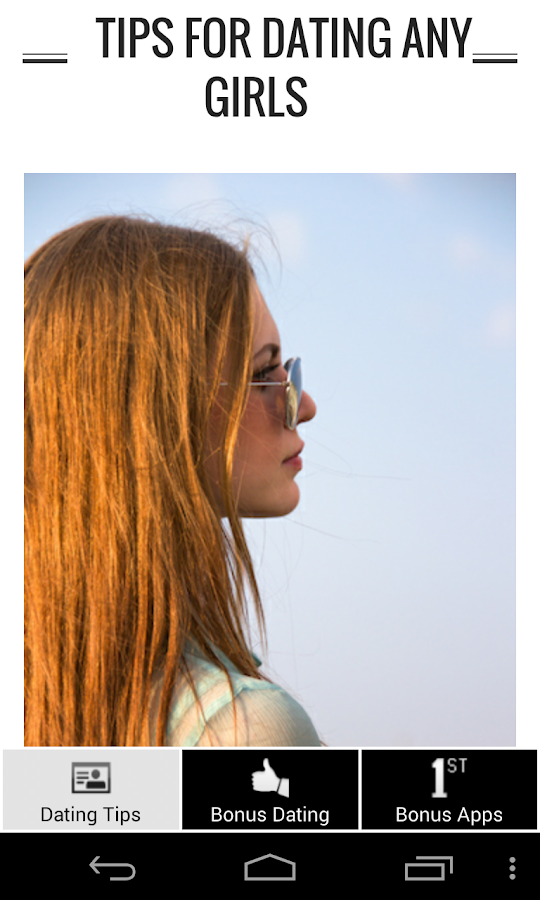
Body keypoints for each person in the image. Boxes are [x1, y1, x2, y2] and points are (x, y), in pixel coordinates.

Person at [24, 215, 320, 747]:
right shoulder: (239, 730)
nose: (304, 406)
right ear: (153, 414)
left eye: (288, 371)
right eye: (263, 373)